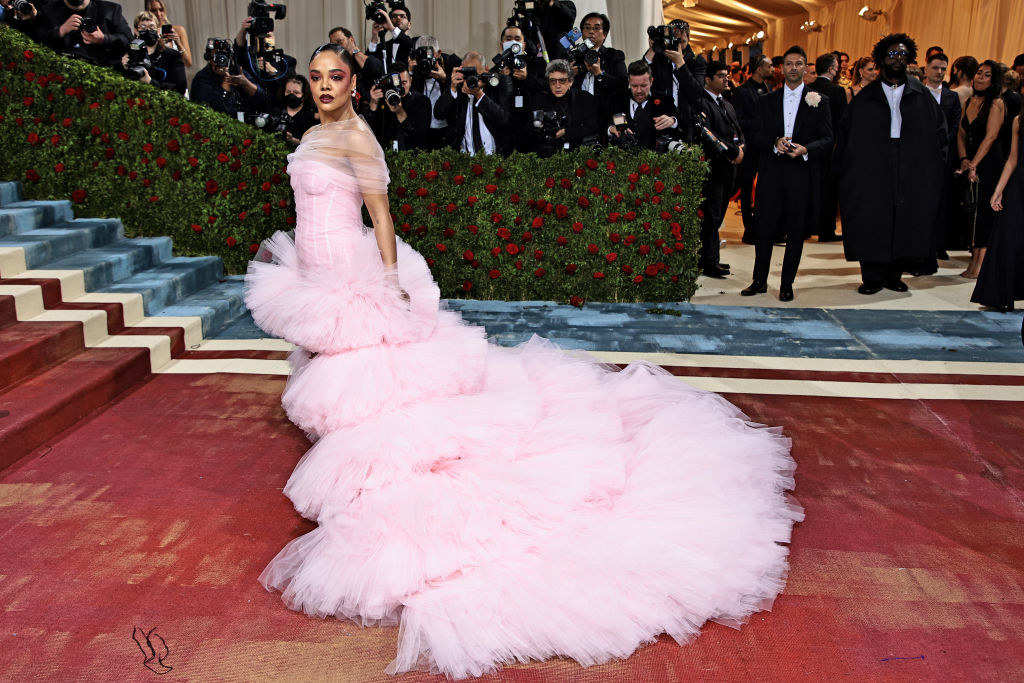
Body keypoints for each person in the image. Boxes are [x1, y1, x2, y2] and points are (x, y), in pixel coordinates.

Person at [245, 41, 803, 681]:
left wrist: (390, 284)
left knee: (373, 389)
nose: (322, 86)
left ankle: (377, 479)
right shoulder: (313, 132)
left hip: (351, 272)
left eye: (334, 76)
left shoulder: (358, 137)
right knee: (338, 381)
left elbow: (381, 217)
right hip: (314, 274)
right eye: (314, 76)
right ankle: (356, 462)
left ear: (353, 82)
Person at [836, 33, 948, 295]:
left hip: (910, 166)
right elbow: (848, 136)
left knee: (905, 219)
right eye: (892, 54)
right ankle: (872, 277)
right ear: (880, 59)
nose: (897, 59)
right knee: (872, 218)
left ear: (909, 59)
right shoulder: (866, 98)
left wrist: (933, 168)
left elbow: (939, 135)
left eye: (902, 54)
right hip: (873, 167)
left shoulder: (921, 95)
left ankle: (894, 274)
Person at [741, 45, 834, 302]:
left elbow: (828, 139)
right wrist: (774, 142)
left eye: (798, 63)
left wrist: (806, 149)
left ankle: (786, 284)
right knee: (764, 228)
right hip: (771, 171)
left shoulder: (819, 100)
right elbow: (755, 135)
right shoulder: (766, 101)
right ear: (781, 69)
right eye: (789, 64)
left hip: (800, 173)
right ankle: (759, 280)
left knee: (796, 229)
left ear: (805, 67)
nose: (793, 68)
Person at [677, 58, 745, 278]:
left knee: (718, 215)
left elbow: (738, 131)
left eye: (727, 75)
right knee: (711, 216)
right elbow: (707, 135)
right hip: (713, 167)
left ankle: (711, 257)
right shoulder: (702, 102)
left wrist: (741, 148)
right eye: (721, 76)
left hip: (729, 169)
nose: (726, 79)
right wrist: (732, 152)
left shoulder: (727, 103)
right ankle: (708, 261)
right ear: (708, 79)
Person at [957, 60, 1006, 279]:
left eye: (986, 75)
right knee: (971, 211)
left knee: (984, 213)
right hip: (970, 161)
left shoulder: (997, 103)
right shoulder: (968, 101)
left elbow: (991, 137)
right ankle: (972, 260)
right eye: (978, 73)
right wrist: (964, 159)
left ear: (994, 80)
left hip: (989, 164)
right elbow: (960, 134)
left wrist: (975, 163)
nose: (980, 77)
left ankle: (980, 264)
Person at [972, 114, 1023, 311]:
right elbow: (1012, 159)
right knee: (1010, 239)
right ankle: (1001, 294)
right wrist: (998, 190)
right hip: (1018, 186)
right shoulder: (1019, 120)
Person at [918, 52, 962, 274]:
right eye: (935, 68)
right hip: (917, 158)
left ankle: (937, 246)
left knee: (940, 203)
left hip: (942, 157)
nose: (939, 72)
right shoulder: (915, 92)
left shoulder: (951, 97)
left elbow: (954, 127)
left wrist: (940, 147)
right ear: (926, 69)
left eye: (943, 69)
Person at [434, 51, 512, 155]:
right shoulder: (459, 85)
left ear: (486, 69)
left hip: (494, 156)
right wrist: (452, 87)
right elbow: (439, 113)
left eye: (476, 74)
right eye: (468, 74)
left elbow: (503, 118)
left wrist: (479, 94)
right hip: (464, 156)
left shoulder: (500, 83)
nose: (472, 79)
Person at [805, 52, 847, 242]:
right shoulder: (837, 91)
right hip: (830, 146)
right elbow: (842, 122)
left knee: (810, 187)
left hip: (810, 146)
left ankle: (807, 226)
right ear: (831, 69)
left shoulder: (808, 89)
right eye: (836, 66)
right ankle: (826, 230)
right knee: (829, 190)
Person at [732, 54, 772, 244]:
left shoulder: (767, 88)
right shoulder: (742, 92)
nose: (772, 69)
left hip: (765, 147)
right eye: (769, 66)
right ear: (759, 68)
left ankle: (763, 226)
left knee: (765, 188)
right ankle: (749, 229)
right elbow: (737, 121)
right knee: (747, 190)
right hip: (750, 146)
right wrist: (759, 123)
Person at [494, 24, 547, 152]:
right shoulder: (497, 67)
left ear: (523, 44)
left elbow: (548, 87)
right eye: (508, 38)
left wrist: (527, 77)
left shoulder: (537, 64)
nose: (513, 42)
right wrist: (503, 79)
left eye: (517, 39)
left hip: (533, 127)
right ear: (501, 45)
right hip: (506, 130)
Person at [530, 59, 599, 156]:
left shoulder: (584, 98)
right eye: (553, 81)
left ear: (570, 82)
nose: (557, 86)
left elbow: (592, 127)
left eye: (562, 81)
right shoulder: (539, 100)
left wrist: (566, 132)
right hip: (549, 156)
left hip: (580, 154)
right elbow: (532, 131)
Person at [35, 0, 133, 68]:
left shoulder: (110, 10)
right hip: (60, 69)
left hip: (101, 69)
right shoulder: (49, 9)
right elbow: (37, 41)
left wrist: (103, 39)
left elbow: (128, 41)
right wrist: (61, 30)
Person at [605, 60, 677, 150]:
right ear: (629, 82)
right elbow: (603, 124)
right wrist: (611, 129)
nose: (639, 90)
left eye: (643, 85)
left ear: (651, 81)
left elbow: (680, 122)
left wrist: (673, 121)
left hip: (655, 159)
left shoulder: (665, 99)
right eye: (634, 86)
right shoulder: (617, 99)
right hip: (623, 158)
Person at [190, 38, 267, 118]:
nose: (221, 60)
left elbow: (262, 98)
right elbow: (219, 111)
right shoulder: (202, 79)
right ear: (209, 57)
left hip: (246, 122)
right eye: (216, 56)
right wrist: (225, 81)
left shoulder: (237, 71)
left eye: (224, 55)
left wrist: (246, 83)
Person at [366, 63, 431, 151]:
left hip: (411, 159)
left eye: (404, 82)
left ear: (410, 81)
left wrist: (400, 113)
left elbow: (420, 139)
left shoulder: (422, 101)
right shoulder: (383, 100)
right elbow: (368, 134)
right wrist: (373, 104)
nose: (401, 88)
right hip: (385, 156)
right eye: (397, 84)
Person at [120, 10, 185, 94]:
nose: (148, 30)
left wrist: (150, 82)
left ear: (158, 30)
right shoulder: (129, 54)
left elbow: (180, 89)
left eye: (151, 27)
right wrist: (126, 69)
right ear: (136, 31)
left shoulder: (172, 55)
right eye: (143, 27)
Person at [570, 12, 626, 104]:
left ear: (604, 34)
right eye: (587, 28)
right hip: (579, 110)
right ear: (582, 32)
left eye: (596, 28)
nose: (591, 32)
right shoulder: (574, 57)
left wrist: (599, 74)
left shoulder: (614, 55)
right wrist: (568, 76)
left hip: (604, 111)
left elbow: (623, 86)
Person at [328, 25, 384, 104]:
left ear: (351, 39)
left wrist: (355, 51)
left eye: (340, 41)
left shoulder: (365, 60)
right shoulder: (337, 69)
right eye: (333, 45)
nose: (337, 47)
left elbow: (377, 69)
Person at [273, 74, 318, 147]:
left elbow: (313, 144)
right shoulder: (276, 111)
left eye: (296, 92)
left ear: (304, 95)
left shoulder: (311, 116)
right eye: (288, 92)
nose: (291, 96)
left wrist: (292, 140)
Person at [144, 0, 191, 68]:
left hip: (178, 74)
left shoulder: (179, 30)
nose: (158, 14)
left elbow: (188, 63)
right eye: (154, 10)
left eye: (161, 9)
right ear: (148, 13)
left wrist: (179, 44)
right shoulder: (146, 33)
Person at [368, 2, 413, 71]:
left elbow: (408, 43)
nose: (398, 18)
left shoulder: (414, 43)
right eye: (394, 16)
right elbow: (369, 62)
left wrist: (392, 28)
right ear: (390, 21)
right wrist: (374, 37)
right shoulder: (383, 46)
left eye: (402, 16)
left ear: (409, 25)